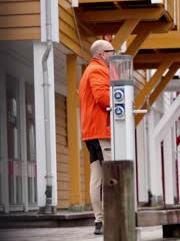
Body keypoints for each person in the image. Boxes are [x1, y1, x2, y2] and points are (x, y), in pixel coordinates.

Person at [79, 39, 115, 235]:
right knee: (109, 175)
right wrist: (122, 102)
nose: (114, 54)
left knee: (97, 176)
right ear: (102, 54)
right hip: (101, 132)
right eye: (111, 51)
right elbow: (103, 98)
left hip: (91, 132)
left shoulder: (89, 71)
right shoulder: (97, 70)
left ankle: (99, 220)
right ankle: (105, 217)